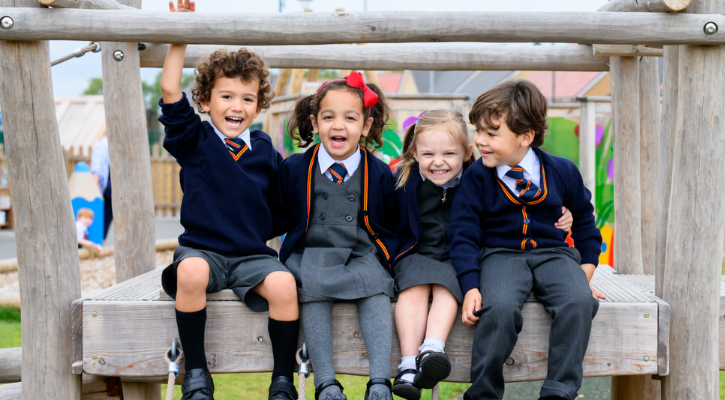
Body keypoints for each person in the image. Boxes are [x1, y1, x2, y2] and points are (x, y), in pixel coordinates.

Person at [158, 1, 299, 399]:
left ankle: (283, 379)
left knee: (286, 286)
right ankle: (197, 374)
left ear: (259, 106)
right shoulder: (194, 140)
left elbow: (280, 209)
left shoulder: (266, 151)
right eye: (226, 96)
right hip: (204, 251)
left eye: (247, 99)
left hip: (252, 255)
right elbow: (170, 89)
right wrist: (180, 32)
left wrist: (265, 231)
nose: (237, 106)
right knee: (190, 275)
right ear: (204, 101)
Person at [391, 109, 575, 400]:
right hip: (417, 253)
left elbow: (516, 209)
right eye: (428, 155)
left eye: (449, 153)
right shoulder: (403, 181)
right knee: (412, 290)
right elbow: (383, 220)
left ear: (466, 153)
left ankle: (432, 350)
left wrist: (565, 214)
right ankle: (407, 367)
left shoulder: (478, 177)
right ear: (414, 152)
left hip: (459, 258)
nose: (438, 162)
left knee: (447, 289)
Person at [449, 80, 605, 400]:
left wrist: (584, 273)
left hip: (555, 254)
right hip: (500, 255)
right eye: (478, 131)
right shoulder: (477, 177)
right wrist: (471, 287)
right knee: (499, 308)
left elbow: (587, 225)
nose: (480, 141)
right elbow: (463, 234)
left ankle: (559, 390)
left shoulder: (562, 171)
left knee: (578, 301)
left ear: (525, 137)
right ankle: (484, 393)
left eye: (491, 134)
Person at [271, 72, 398, 400]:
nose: (338, 126)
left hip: (361, 251)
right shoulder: (296, 168)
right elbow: (278, 214)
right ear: (314, 123)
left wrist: (392, 256)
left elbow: (391, 219)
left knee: (377, 290)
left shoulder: (379, 172)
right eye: (328, 117)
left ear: (365, 127)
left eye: (350, 118)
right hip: (311, 252)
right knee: (311, 289)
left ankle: (381, 382)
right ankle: (326, 382)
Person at [90, 135, 112, 239]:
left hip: (109, 185)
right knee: (101, 218)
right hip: (107, 187)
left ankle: (99, 241)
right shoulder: (103, 144)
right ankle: (98, 242)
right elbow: (96, 167)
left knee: (106, 217)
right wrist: (95, 185)